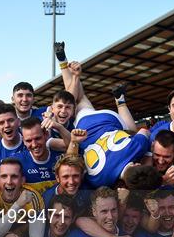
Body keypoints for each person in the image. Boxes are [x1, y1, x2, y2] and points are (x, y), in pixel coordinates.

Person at [59, 58, 150, 188]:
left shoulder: (137, 148)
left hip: (109, 118)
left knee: (80, 98)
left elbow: (144, 131)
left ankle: (120, 101)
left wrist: (145, 152)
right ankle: (66, 66)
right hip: (86, 126)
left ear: (138, 165)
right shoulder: (99, 181)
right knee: (73, 101)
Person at [0, 103, 26, 181]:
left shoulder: (32, 142)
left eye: (10, 120)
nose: (6, 125)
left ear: (18, 122)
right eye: (1, 123)